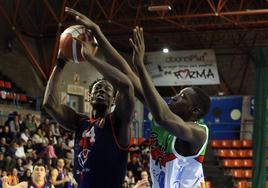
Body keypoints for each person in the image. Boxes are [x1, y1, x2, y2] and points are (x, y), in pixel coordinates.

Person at [65, 8, 211, 188]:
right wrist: (98, 32)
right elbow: (125, 71)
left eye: (182, 97)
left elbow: (162, 118)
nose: (174, 97)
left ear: (194, 110)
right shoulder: (165, 111)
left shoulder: (198, 134)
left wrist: (141, 67)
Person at [43, 10, 135, 188]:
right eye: (97, 88)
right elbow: (49, 104)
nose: (101, 91)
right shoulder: (80, 122)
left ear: (114, 100)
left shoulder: (118, 122)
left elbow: (128, 87)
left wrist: (91, 58)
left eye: (107, 90)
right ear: (89, 96)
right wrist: (61, 63)